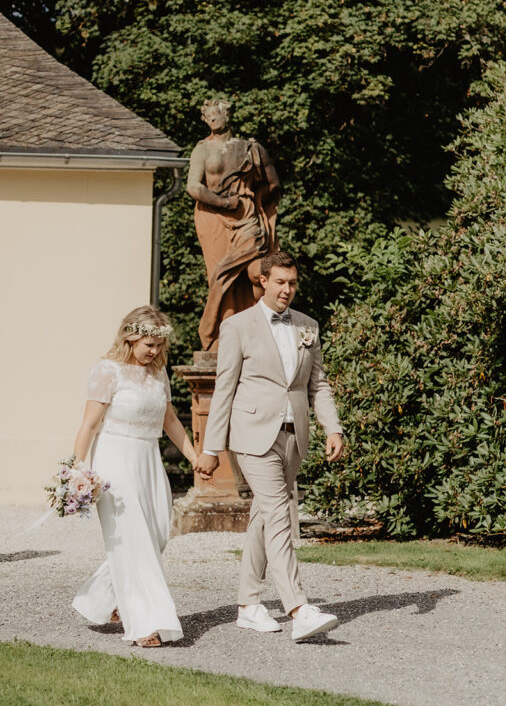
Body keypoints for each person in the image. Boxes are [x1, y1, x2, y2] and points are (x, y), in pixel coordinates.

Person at [196, 250, 344, 642]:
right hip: (252, 435)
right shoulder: (238, 326)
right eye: (280, 282)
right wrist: (211, 449)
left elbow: (318, 384)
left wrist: (333, 427)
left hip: (295, 434)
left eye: (293, 283)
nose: (287, 290)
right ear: (262, 281)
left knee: (265, 515)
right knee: (280, 514)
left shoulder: (307, 326)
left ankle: (248, 606)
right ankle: (298, 608)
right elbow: (224, 389)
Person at [71, 306, 197, 647]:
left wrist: (194, 458)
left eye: (158, 345)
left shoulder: (159, 375)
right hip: (114, 460)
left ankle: (103, 599)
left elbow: (170, 420)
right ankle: (144, 622)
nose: (154, 351)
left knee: (156, 535)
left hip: (148, 459)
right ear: (130, 337)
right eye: (148, 344)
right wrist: (77, 470)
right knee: (134, 542)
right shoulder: (107, 371)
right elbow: (89, 424)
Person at [186, 98, 281, 351]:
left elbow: (273, 184)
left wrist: (256, 202)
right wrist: (222, 202)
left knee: (256, 272)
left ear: (228, 116)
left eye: (215, 114)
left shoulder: (251, 148)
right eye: (207, 116)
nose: (211, 119)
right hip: (214, 219)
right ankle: (224, 340)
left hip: (247, 216)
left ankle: (260, 328)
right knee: (223, 277)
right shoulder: (202, 150)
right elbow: (193, 186)